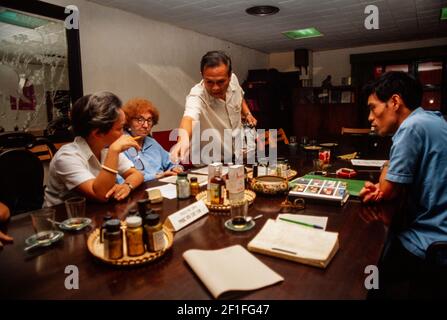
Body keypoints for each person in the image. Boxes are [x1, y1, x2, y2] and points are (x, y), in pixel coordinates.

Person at [359, 71, 447, 298]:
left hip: (434, 242)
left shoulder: (411, 127)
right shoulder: (433, 119)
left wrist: (387, 167)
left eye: (373, 107)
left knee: (364, 269)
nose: (370, 117)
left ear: (395, 102)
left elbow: (387, 191)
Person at [44, 91, 144, 207]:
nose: (124, 133)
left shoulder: (105, 148)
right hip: (62, 220)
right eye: (120, 128)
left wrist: (127, 186)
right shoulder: (66, 157)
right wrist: (114, 151)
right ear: (97, 133)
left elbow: (136, 174)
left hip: (93, 214)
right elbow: (101, 195)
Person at [170, 50, 257, 164]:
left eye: (221, 82)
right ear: (202, 75)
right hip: (211, 162)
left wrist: (247, 113)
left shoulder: (234, 80)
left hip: (239, 155)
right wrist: (183, 140)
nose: (215, 88)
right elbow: (189, 117)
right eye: (209, 82)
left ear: (230, 76)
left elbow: (239, 97)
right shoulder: (197, 95)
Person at [121, 98, 183, 181]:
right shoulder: (121, 145)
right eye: (140, 120)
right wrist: (159, 176)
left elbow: (171, 162)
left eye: (149, 120)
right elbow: (122, 181)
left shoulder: (151, 142)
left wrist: (175, 168)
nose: (146, 125)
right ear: (128, 122)